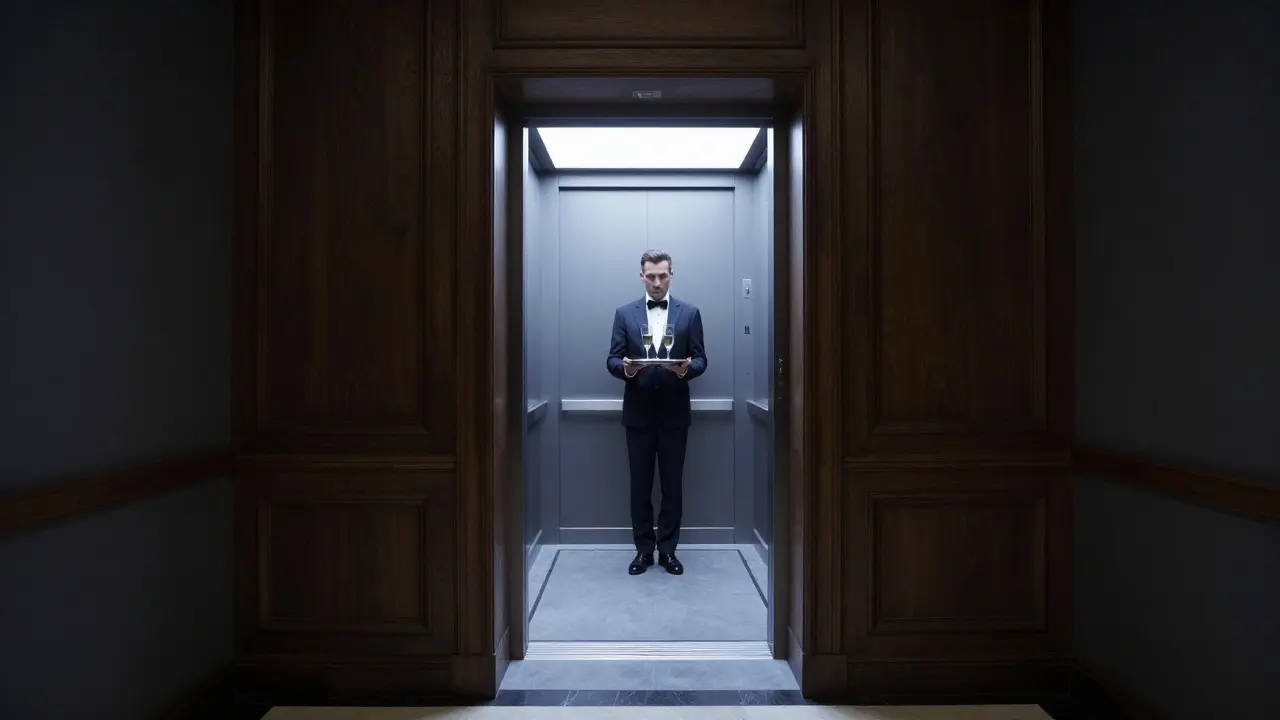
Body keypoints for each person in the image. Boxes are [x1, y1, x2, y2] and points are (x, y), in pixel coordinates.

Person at [606, 249, 708, 576]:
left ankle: (668, 551)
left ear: (671, 275)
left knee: (672, 487)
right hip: (638, 415)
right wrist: (627, 369)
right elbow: (612, 360)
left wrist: (684, 370)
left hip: (675, 414)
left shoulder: (690, 313)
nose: (657, 282)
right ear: (641, 276)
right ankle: (643, 552)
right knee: (639, 487)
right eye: (650, 276)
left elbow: (702, 360)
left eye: (662, 275)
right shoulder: (624, 314)